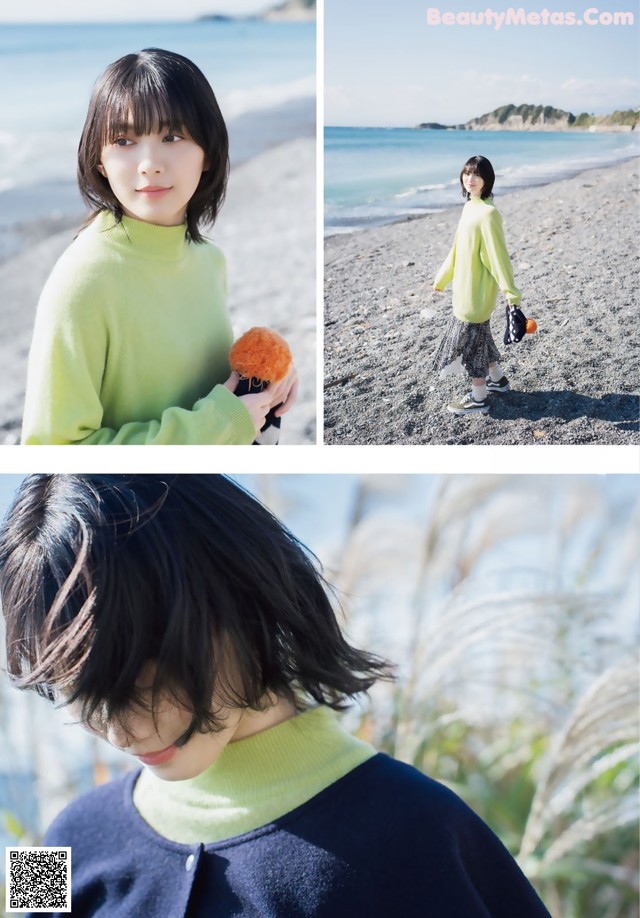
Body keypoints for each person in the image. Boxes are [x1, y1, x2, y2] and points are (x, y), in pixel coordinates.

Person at [0, 474, 551, 918]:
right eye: (84, 694)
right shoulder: (64, 834)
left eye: (141, 684)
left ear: (238, 600)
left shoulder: (421, 832)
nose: (121, 731)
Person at [21, 49, 297, 445]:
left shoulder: (208, 260)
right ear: (99, 160)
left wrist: (272, 380)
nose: (149, 163)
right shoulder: (83, 281)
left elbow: (205, 389)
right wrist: (217, 425)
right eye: (123, 140)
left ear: (208, 151)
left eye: (172, 136)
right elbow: (56, 448)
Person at [433, 154, 521, 416]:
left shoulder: (489, 214)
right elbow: (458, 249)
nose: (470, 179)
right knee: (480, 338)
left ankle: (479, 397)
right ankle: (499, 381)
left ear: (487, 180)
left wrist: (511, 294)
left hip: (477, 292)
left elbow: (498, 257)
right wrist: (442, 278)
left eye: (476, 175)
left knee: (472, 344)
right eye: (466, 173)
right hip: (463, 287)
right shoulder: (470, 207)